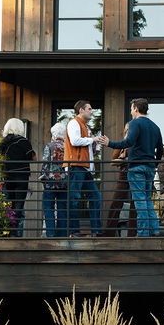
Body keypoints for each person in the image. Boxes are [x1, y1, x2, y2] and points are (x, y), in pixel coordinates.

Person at [102, 98, 164, 237]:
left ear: (136, 108)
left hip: (136, 167)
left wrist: (109, 143)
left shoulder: (135, 123)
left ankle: (142, 234)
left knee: (140, 200)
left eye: (131, 109)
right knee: (147, 199)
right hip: (149, 168)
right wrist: (155, 164)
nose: (130, 112)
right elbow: (160, 149)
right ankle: (155, 230)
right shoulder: (155, 127)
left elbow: (128, 142)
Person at [64, 100, 106, 237]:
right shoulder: (74, 123)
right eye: (89, 108)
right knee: (75, 198)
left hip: (84, 167)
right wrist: (93, 140)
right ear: (81, 110)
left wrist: (96, 146)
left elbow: (85, 145)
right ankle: (74, 232)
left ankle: (96, 231)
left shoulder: (84, 126)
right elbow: (75, 141)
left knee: (95, 196)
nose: (91, 111)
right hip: (75, 166)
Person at [0, 118, 35, 237]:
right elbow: (32, 157)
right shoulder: (23, 141)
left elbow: (0, 161)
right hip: (21, 176)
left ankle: (7, 232)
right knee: (19, 204)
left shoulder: (2, 143)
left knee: (8, 204)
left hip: (7, 176)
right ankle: (14, 232)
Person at [103, 123, 137, 237]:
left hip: (135, 172)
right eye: (126, 129)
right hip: (123, 174)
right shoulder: (121, 144)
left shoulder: (136, 142)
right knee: (116, 202)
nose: (128, 131)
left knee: (134, 204)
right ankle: (109, 232)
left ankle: (132, 233)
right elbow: (113, 161)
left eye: (130, 129)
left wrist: (125, 159)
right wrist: (124, 160)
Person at [40, 121, 69, 238]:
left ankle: (51, 234)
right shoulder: (68, 147)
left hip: (50, 182)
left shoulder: (49, 146)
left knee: (48, 208)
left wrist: (43, 177)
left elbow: (45, 164)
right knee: (62, 209)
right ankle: (62, 235)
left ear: (54, 135)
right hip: (64, 182)